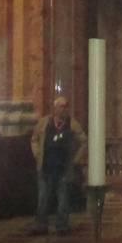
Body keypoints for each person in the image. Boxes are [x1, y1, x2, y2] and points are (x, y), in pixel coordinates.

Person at [29, 95, 86, 235]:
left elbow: (84, 141)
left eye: (66, 106)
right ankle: (41, 225)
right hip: (46, 166)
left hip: (63, 167)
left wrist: (76, 159)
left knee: (63, 198)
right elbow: (34, 139)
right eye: (61, 106)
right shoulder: (44, 123)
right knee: (43, 197)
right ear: (55, 108)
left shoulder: (72, 124)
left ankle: (62, 225)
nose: (64, 109)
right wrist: (37, 154)